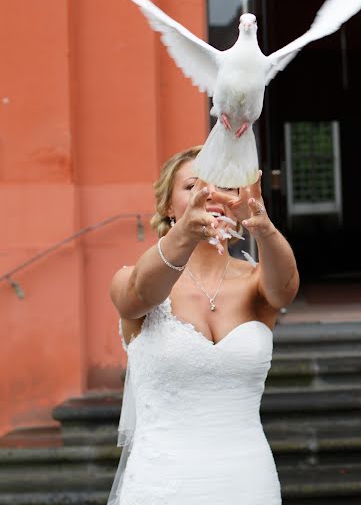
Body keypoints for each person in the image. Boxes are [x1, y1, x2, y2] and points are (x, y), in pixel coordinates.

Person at [109, 145, 299, 505]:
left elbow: (285, 290)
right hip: (163, 483)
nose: (209, 194)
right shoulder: (130, 278)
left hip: (248, 481)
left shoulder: (256, 283)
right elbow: (140, 294)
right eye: (193, 186)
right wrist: (186, 233)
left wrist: (260, 222)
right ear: (168, 206)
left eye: (223, 187)